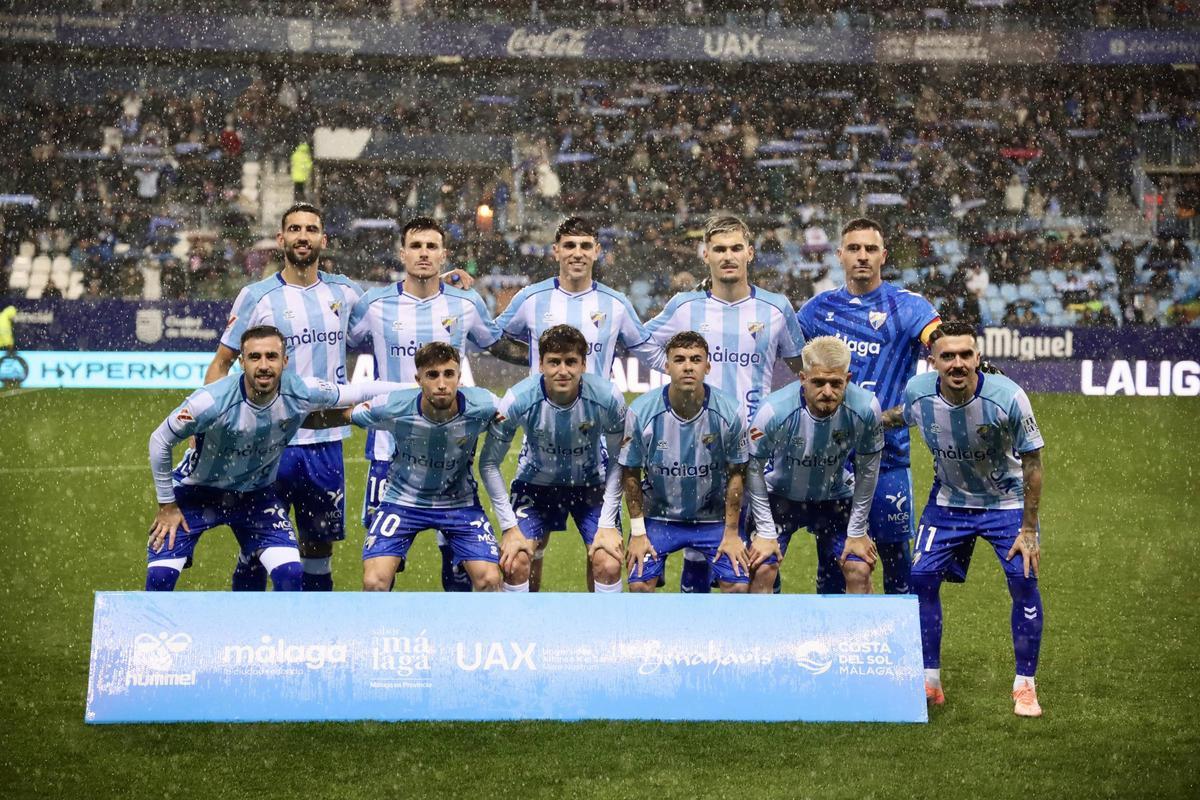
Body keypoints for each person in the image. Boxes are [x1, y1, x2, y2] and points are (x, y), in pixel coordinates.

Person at [145, 326, 402, 591]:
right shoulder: (211, 401)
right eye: (255, 357)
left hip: (256, 496)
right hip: (195, 494)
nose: (264, 365)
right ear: (242, 361)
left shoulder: (301, 390)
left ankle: (272, 629)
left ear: (285, 361)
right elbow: (160, 440)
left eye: (271, 356)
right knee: (160, 580)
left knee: (290, 573)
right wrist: (167, 504)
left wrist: (415, 388)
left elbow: (359, 392)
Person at [347, 216, 528, 592]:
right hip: (388, 449)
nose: (424, 253)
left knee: (459, 564)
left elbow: (496, 344)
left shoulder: (465, 303)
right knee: (382, 569)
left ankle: (456, 641)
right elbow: (337, 342)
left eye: (431, 247)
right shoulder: (375, 304)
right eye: (416, 246)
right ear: (402, 253)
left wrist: (546, 359)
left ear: (444, 255)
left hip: (450, 449)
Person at [495, 216, 664, 590]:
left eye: (585, 246)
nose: (577, 253)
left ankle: (598, 636)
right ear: (555, 250)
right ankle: (528, 628)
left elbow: (649, 352)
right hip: (541, 439)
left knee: (604, 556)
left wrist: (700, 360)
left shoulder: (615, 304)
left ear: (597, 251)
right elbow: (494, 339)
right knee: (525, 555)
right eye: (569, 246)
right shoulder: (531, 298)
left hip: (594, 446)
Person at [887, 321, 1045, 717]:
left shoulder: (1009, 397)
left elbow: (1033, 462)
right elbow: (898, 417)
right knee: (920, 579)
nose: (957, 363)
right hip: (949, 503)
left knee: (1024, 580)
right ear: (933, 361)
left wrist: (1028, 529)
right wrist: (856, 417)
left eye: (965, 355)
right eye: (948, 356)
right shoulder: (918, 392)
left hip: (1006, 505)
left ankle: (1024, 686)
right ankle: (929, 680)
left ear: (978, 357)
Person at [643, 214, 806, 593]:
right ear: (706, 255)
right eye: (719, 249)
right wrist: (676, 378)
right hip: (695, 448)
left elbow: (802, 370)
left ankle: (753, 640)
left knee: (757, 552)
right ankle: (698, 642)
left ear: (750, 253)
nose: (728, 256)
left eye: (736, 248)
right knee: (700, 548)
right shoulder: (685, 307)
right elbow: (642, 343)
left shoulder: (776, 309)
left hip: (755, 448)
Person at [205, 202, 362, 593]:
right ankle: (252, 635)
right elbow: (221, 364)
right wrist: (208, 425)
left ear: (324, 239)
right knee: (257, 546)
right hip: (268, 443)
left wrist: (438, 280)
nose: (302, 236)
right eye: (294, 229)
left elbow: (397, 308)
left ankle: (307, 640)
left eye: (311, 229)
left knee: (318, 550)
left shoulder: (345, 292)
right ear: (281, 239)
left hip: (325, 444)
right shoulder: (257, 296)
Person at [797, 217, 941, 595]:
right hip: (831, 459)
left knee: (896, 560)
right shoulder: (817, 310)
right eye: (855, 249)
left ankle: (899, 651)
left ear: (883, 256)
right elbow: (794, 364)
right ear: (840, 255)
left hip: (888, 457)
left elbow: (938, 342)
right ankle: (831, 649)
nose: (863, 256)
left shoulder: (908, 307)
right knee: (831, 561)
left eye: (871, 249)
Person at [308, 342, 503, 592]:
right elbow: (340, 416)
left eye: (449, 374)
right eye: (432, 375)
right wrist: (284, 422)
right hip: (402, 502)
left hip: (460, 503)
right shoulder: (393, 405)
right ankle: (383, 632)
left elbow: (519, 411)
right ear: (418, 379)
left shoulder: (484, 403)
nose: (442, 384)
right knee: (374, 582)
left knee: (490, 580)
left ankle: (481, 632)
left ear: (459, 377)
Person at [479, 325, 627, 593]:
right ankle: (521, 632)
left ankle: (606, 633)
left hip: (592, 485)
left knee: (608, 562)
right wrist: (509, 527)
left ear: (583, 364)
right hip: (535, 487)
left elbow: (621, 459)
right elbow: (488, 464)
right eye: (554, 362)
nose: (563, 370)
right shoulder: (517, 400)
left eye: (571, 362)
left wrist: (607, 524)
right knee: (515, 561)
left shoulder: (609, 397)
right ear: (540, 365)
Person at [745, 336, 883, 595]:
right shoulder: (773, 410)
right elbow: (752, 469)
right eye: (818, 382)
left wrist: (856, 532)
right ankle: (763, 632)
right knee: (761, 567)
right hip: (781, 497)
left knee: (860, 568)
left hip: (836, 498)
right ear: (802, 378)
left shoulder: (866, 407)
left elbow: (868, 470)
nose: (827, 392)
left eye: (836, 383)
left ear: (848, 379)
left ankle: (854, 635)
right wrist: (764, 531)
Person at [619, 331, 751, 594]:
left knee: (737, 586)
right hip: (659, 518)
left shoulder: (731, 411)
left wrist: (732, 533)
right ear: (667, 366)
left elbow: (737, 473)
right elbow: (631, 473)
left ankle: (721, 636)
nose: (688, 366)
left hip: (714, 520)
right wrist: (637, 532)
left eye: (695, 359)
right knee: (640, 587)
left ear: (708, 366)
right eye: (679, 359)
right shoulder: (641, 412)